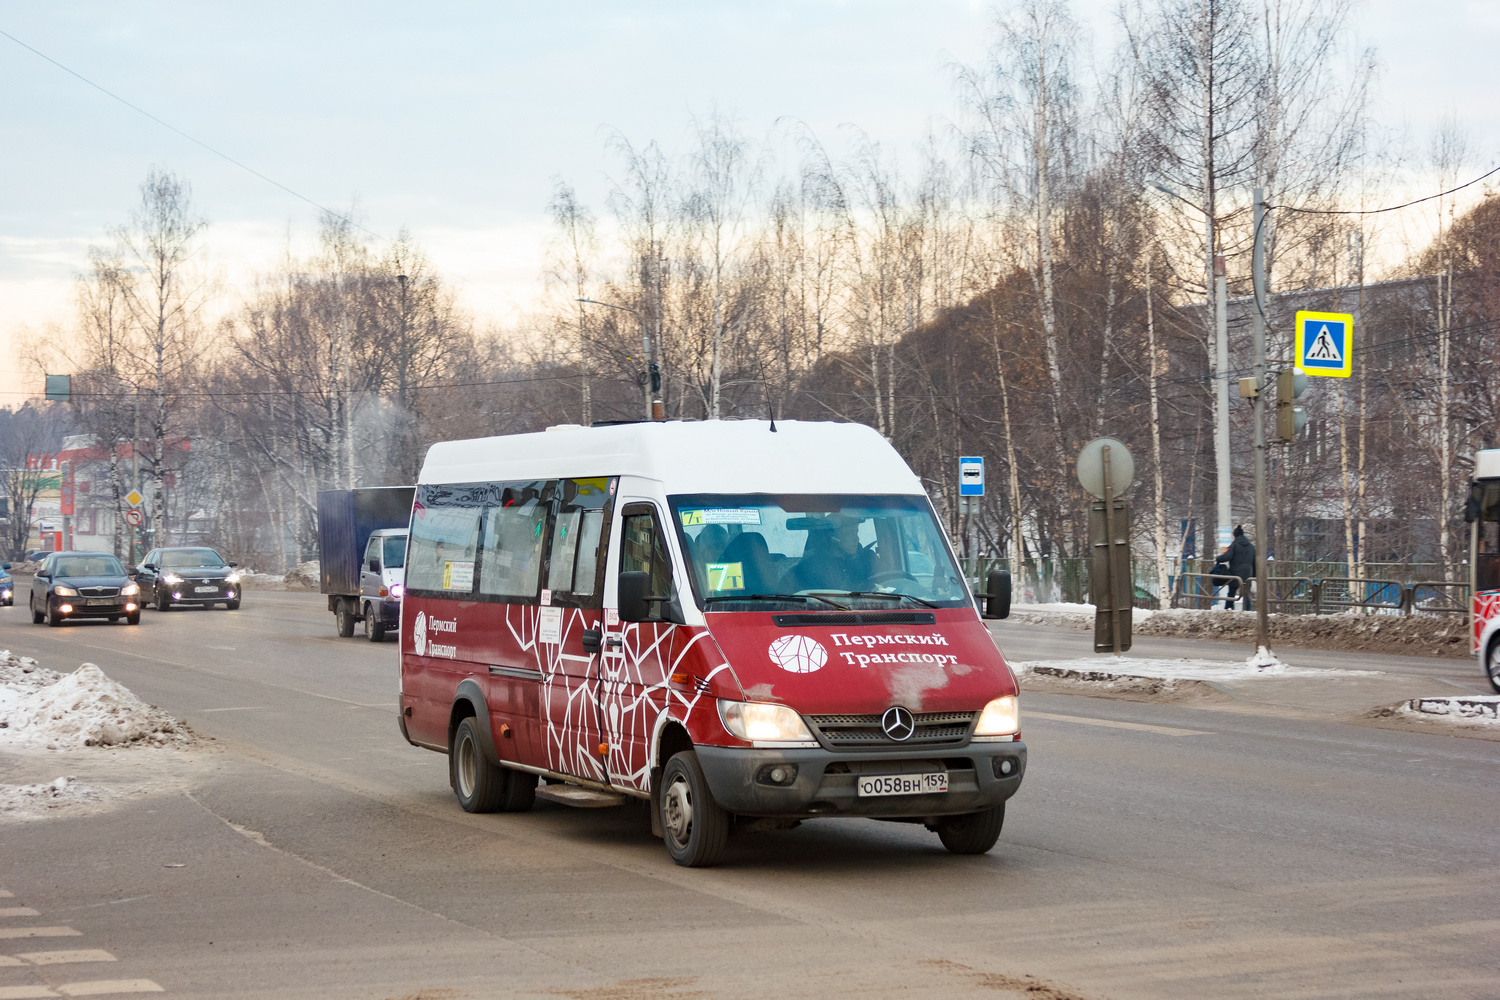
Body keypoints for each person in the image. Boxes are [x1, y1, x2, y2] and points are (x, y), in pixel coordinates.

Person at [1225, 525, 1255, 610]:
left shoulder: (1234, 545)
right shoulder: (1250, 546)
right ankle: (1247, 610)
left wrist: (1218, 558)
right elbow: (1254, 562)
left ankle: (1229, 609)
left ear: (1235, 536)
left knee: (1231, 593)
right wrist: (1254, 575)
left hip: (1235, 575)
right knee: (1247, 594)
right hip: (1247, 575)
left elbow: (1227, 556)